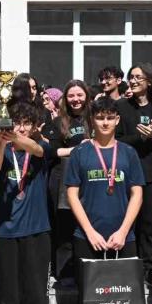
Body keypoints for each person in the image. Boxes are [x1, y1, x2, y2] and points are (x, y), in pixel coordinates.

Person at [65, 96, 151, 304]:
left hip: (123, 235)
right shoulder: (81, 153)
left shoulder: (128, 153)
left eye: (109, 117)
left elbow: (137, 193)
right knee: (87, 293)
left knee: (126, 291)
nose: (104, 122)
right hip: (87, 235)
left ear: (117, 120)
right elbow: (72, 194)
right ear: (92, 120)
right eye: (99, 117)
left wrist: (124, 230)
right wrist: (89, 231)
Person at [0, 101, 58, 304]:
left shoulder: (40, 149)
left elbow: (39, 150)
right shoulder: (2, 151)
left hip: (37, 231)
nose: (20, 127)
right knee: (9, 295)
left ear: (34, 127)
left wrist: (15, 136)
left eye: (26, 123)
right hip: (7, 232)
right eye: (15, 122)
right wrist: (2, 141)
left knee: (37, 294)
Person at [116, 62, 152, 286]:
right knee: (127, 220)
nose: (134, 81)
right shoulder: (120, 106)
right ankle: (126, 263)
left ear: (150, 81)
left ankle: (147, 266)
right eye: (132, 76)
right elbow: (116, 139)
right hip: (126, 171)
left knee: (149, 222)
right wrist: (140, 138)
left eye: (139, 77)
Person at [43, 80, 91, 282]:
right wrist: (77, 149)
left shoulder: (94, 118)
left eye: (79, 95)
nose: (75, 99)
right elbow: (51, 151)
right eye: (71, 95)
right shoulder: (57, 122)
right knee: (64, 226)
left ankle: (87, 269)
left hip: (91, 178)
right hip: (63, 179)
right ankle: (63, 272)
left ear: (86, 96)